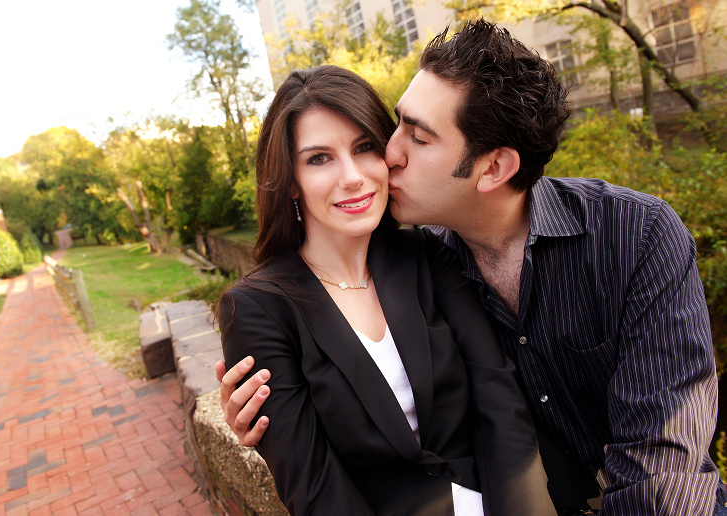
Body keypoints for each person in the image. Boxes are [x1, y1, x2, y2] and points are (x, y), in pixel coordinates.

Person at [217, 19, 724, 516]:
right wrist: (275, 416)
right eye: (395, 125)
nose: (387, 155)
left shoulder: (634, 237)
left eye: (415, 136)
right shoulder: (435, 252)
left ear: (495, 168)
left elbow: (665, 467)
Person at [216, 63, 556, 515]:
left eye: (364, 148)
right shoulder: (257, 310)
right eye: (319, 158)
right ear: (290, 181)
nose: (352, 176)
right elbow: (316, 489)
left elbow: (500, 404)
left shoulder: (429, 256)